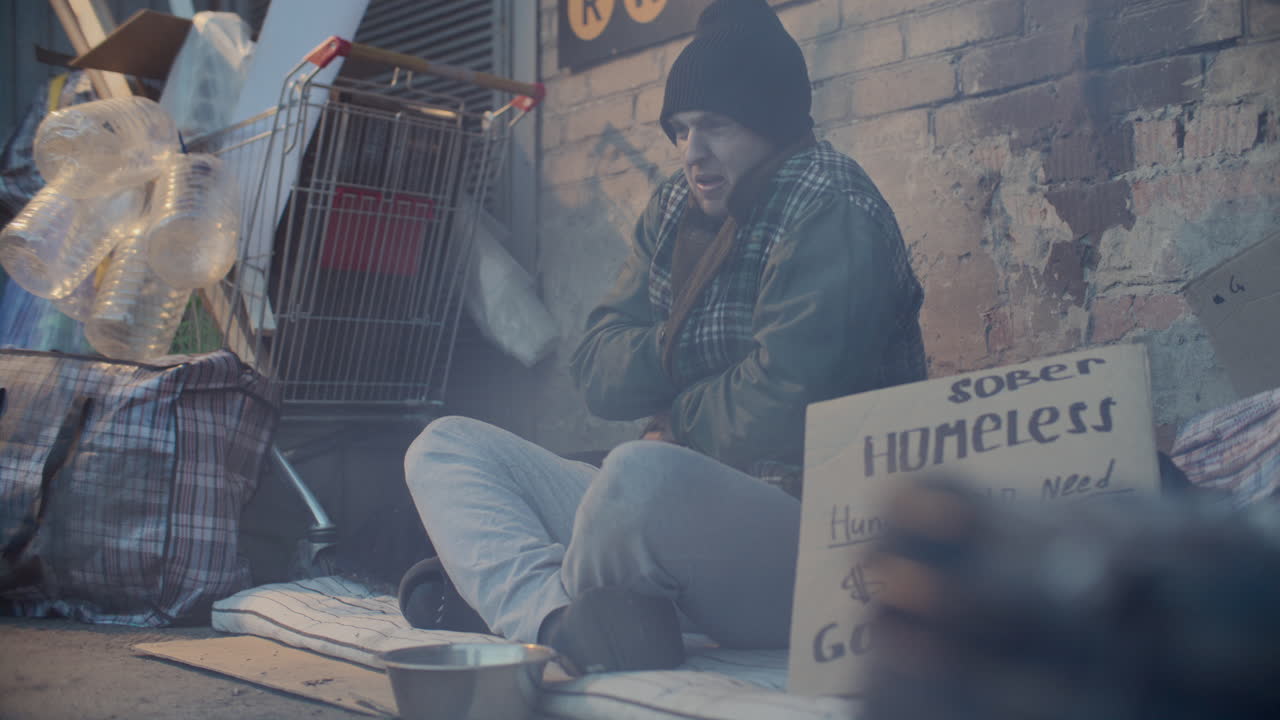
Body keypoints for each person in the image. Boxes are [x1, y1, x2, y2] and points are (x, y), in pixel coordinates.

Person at [401, 0, 925, 675]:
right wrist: (682, 354)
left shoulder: (830, 204)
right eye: (679, 131)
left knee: (639, 474)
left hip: (818, 536)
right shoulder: (676, 206)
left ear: (770, 122)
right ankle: (559, 620)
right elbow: (595, 366)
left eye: (715, 127)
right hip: (688, 515)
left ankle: (518, 593)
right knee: (444, 447)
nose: (691, 153)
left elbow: (787, 401)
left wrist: (674, 413)